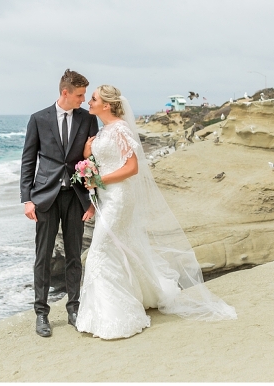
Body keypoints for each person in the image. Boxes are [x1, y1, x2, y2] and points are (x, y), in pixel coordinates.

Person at [74, 85, 236, 340]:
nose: (88, 102)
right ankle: (136, 296)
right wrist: (87, 156)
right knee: (118, 248)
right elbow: (102, 162)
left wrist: (100, 180)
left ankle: (116, 316)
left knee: (100, 251)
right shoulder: (104, 130)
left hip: (119, 198)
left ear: (106, 105)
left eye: (93, 99)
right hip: (106, 197)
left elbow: (132, 168)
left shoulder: (120, 129)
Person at [20, 69, 99, 337]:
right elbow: (28, 161)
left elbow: (92, 161)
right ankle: (41, 313)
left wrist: (91, 200)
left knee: (74, 256)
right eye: (79, 94)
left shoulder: (88, 119)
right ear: (65, 92)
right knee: (42, 257)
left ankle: (73, 309)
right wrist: (27, 199)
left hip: (75, 198)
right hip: (45, 197)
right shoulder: (38, 119)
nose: (83, 99)